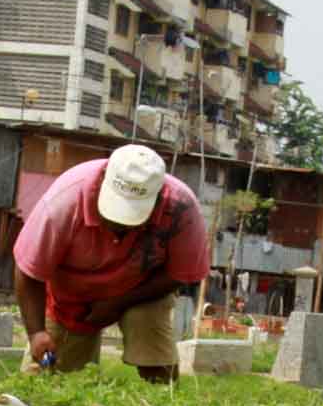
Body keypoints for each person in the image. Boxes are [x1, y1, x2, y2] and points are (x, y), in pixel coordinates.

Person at [12, 143, 210, 383]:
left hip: (144, 290)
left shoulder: (182, 208)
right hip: (72, 298)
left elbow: (180, 274)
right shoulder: (64, 202)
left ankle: (160, 402)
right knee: (46, 380)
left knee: (151, 340)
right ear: (104, 178)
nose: (122, 226)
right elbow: (29, 269)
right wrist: (36, 333)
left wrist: (117, 303)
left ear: (158, 197)